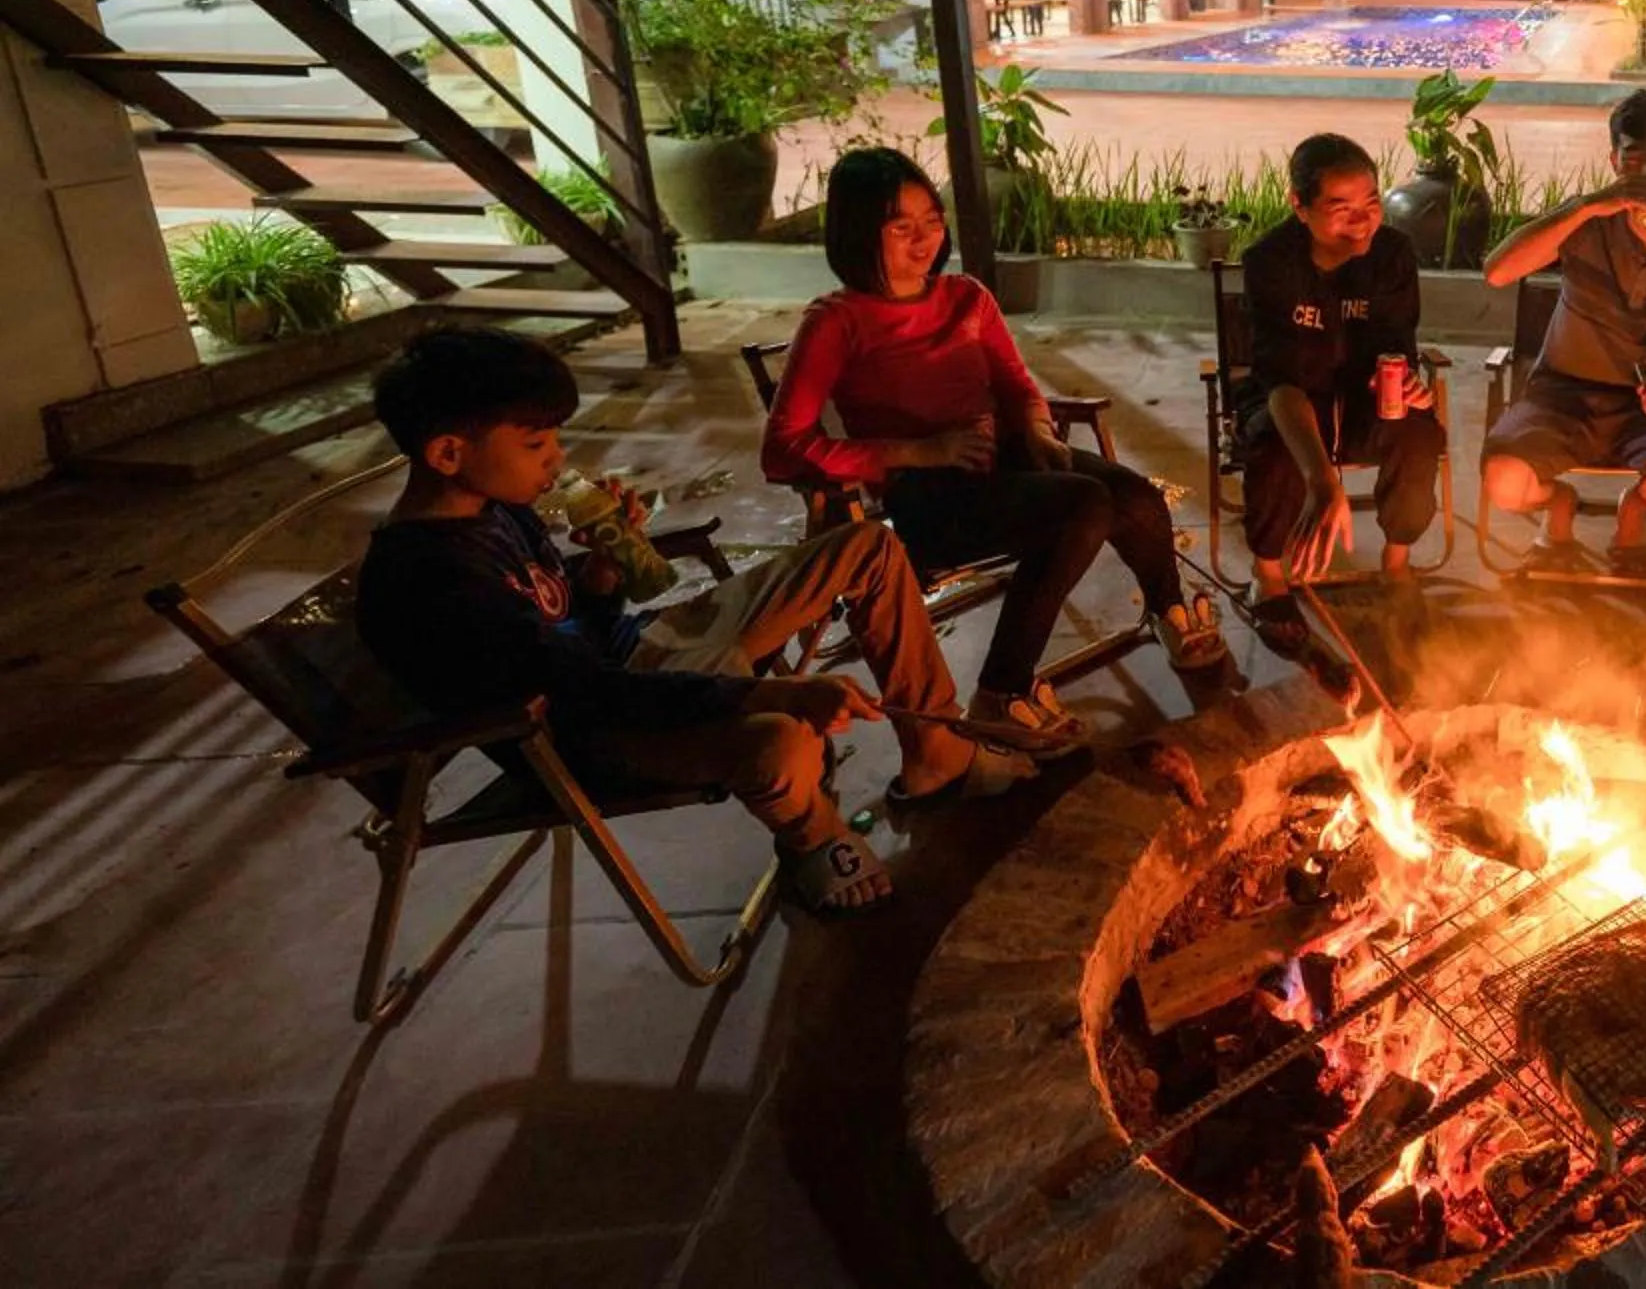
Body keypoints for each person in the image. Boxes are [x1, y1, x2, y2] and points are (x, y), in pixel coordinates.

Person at [356, 327, 1033, 919]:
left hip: (633, 664)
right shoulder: (430, 581)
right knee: (780, 741)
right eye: (536, 442)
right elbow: (585, 692)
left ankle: (936, 749)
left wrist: (605, 570)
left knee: (868, 549)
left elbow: (565, 623)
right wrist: (769, 692)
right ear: (448, 453)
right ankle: (816, 838)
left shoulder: (493, 507)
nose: (556, 458)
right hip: (585, 736)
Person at [761, 149, 1224, 743]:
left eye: (932, 220)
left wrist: (1036, 430)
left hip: (1001, 461)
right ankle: (1001, 691)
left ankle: (1169, 611)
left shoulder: (965, 296)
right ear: (857, 232)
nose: (924, 238)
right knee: (1083, 507)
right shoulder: (836, 322)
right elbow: (784, 448)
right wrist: (917, 453)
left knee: (1131, 493)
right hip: (928, 497)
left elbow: (1015, 384)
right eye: (901, 227)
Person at [1481, 88, 1646, 578]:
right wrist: (1588, 206)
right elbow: (1498, 272)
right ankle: (1559, 505)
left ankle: (1633, 514)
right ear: (1614, 162)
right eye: (1635, 158)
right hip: (1561, 397)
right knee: (1505, 482)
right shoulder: (1585, 227)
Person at [1236, 133, 1443, 598]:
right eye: (1341, 207)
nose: (1363, 220)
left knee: (1416, 432)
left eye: (1371, 202)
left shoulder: (1391, 254)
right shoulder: (1270, 262)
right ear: (1300, 205)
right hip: (1289, 399)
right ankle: (1268, 574)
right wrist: (1322, 480)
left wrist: (1407, 384)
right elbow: (1281, 380)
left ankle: (1397, 564)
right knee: (1273, 447)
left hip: (1363, 398)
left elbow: (1396, 346)